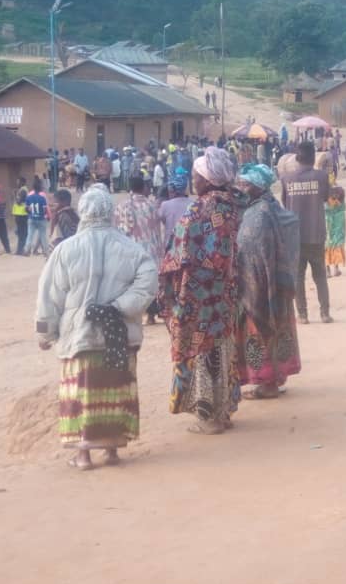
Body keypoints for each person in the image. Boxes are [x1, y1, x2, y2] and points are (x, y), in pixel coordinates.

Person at [35, 187, 158, 471]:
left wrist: (46, 333)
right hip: (118, 335)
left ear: (85, 212)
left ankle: (83, 456)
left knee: (82, 394)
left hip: (79, 336)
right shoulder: (131, 248)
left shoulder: (65, 250)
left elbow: (49, 295)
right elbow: (148, 283)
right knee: (114, 390)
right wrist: (119, 307)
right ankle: (112, 450)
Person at [158, 147, 243, 434]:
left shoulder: (201, 208)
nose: (194, 180)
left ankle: (209, 418)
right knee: (221, 345)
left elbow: (180, 249)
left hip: (199, 295)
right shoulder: (232, 205)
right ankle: (223, 411)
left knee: (202, 348)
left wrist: (168, 286)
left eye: (197, 175)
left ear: (207, 179)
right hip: (225, 292)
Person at [233, 164, 302, 401]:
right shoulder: (271, 207)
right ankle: (275, 377)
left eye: (246, 183)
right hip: (275, 285)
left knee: (261, 332)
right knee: (277, 328)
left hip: (260, 287)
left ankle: (268, 383)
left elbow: (250, 248)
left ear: (258, 185)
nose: (241, 187)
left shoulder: (259, 213)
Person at [280, 141, 332, 325]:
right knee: (320, 276)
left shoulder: (286, 178)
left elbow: (285, 205)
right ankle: (325, 313)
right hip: (316, 234)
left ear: (297, 158)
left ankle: (302, 315)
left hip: (295, 236)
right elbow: (326, 197)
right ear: (313, 157)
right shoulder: (322, 176)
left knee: (298, 277)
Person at [115, 178, 164, 324]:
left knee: (134, 284)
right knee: (151, 283)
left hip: (132, 251)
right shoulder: (151, 205)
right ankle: (151, 315)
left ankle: (134, 314)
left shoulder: (122, 206)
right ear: (143, 188)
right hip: (152, 250)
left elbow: (120, 229)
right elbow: (157, 226)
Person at [325, 186, 346, 277]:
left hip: (328, 231)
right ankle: (336, 269)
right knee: (336, 248)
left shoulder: (326, 206)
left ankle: (327, 271)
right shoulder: (341, 206)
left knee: (326, 249)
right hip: (337, 233)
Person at [25, 179, 49, 257]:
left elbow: (26, 209)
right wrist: (44, 215)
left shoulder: (29, 197)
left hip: (32, 218)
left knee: (30, 235)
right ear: (40, 188)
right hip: (41, 218)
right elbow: (45, 210)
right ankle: (46, 252)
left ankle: (27, 250)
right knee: (43, 236)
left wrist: (31, 213)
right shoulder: (42, 198)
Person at [12, 185, 29, 256]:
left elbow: (13, 212)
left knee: (20, 236)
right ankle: (23, 250)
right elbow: (28, 211)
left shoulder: (16, 203)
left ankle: (18, 250)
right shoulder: (26, 203)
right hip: (24, 220)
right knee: (24, 235)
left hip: (17, 220)